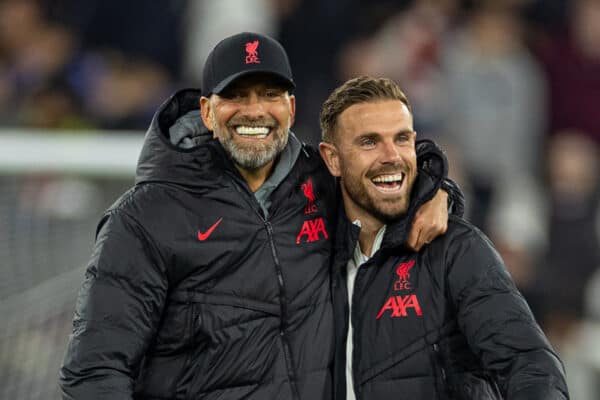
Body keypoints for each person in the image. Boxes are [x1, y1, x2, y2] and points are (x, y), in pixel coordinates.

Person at [58, 33, 455, 399]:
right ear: (207, 112)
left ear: (291, 107)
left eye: (269, 94)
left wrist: (439, 193)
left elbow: (392, 169)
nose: (254, 111)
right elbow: (94, 372)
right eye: (237, 95)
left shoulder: (325, 183)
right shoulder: (144, 219)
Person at [318, 76, 570, 400]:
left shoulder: (456, 251)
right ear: (333, 159)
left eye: (402, 139)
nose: (391, 156)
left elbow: (530, 366)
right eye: (369, 142)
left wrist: (439, 188)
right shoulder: (305, 256)